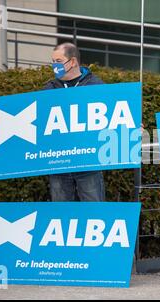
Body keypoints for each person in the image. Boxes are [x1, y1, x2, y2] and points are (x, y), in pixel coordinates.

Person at [44, 42, 105, 202]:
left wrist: (132, 127)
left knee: (94, 213)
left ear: (73, 62)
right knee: (61, 215)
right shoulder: (49, 90)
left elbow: (112, 117)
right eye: (53, 62)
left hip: (88, 163)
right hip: (58, 164)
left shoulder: (96, 86)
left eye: (58, 61)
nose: (54, 66)